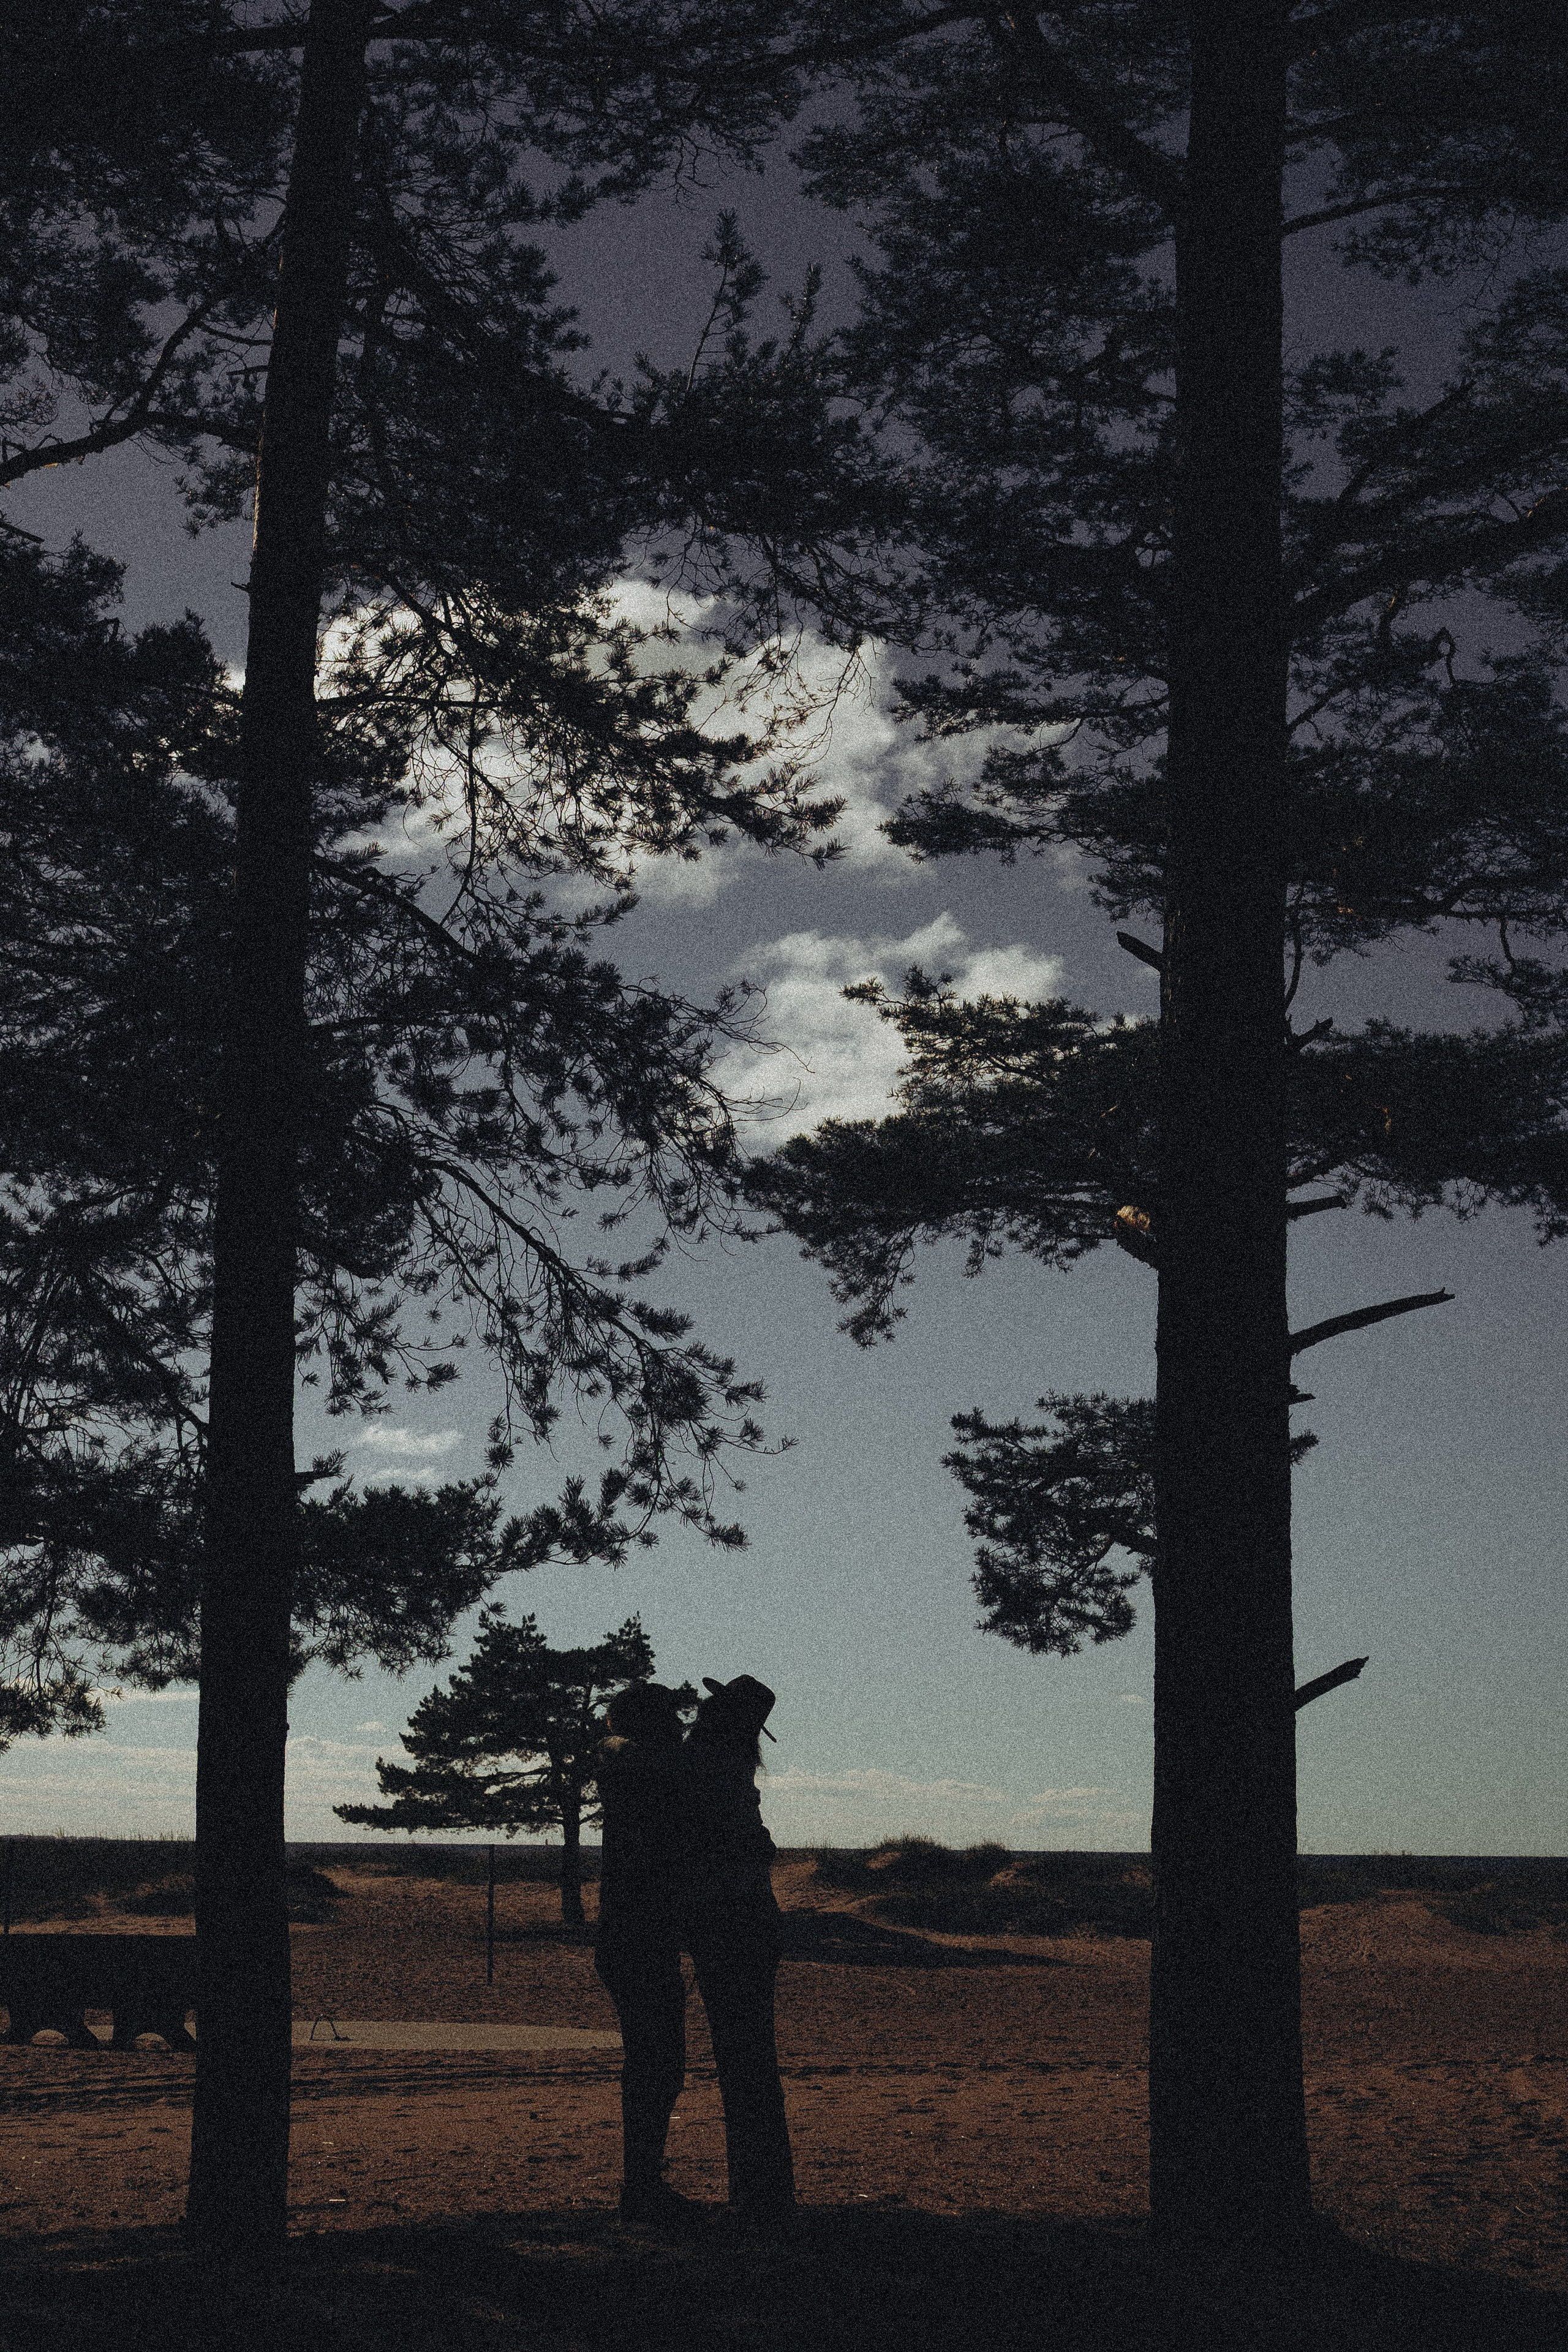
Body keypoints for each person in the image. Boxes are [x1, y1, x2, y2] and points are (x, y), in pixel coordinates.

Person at [682, 1673, 796, 2224]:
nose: (703, 1707)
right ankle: (762, 2191)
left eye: (714, 1703)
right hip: (747, 1918)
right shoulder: (729, 1762)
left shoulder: (708, 1761)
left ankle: (759, 2195)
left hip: (731, 1920)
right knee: (751, 2059)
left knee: (744, 2060)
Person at [592, 1681, 704, 2228]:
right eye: (670, 1718)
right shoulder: (634, 1764)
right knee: (657, 2063)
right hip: (636, 1938)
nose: (679, 1726)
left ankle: (643, 2181)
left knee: (656, 2062)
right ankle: (640, 2186)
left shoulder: (630, 1764)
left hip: (633, 1937)